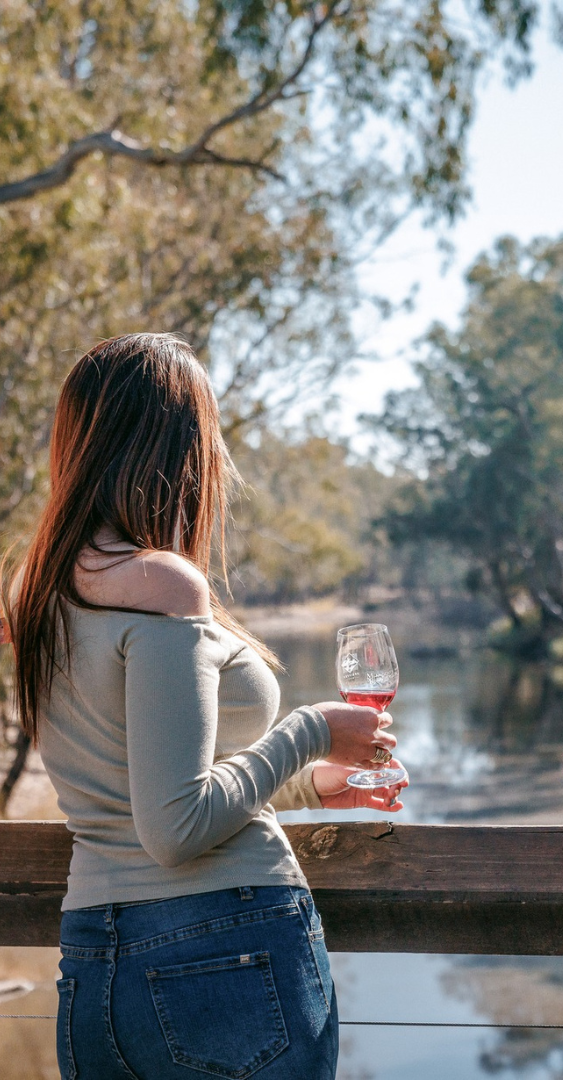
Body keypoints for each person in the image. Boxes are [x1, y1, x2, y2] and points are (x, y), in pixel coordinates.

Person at [1, 333, 407, 1080]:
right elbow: (175, 826)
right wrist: (311, 729)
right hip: (226, 950)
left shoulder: (35, 588)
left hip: (96, 964)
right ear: (178, 448)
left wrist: (308, 784)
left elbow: (147, 779)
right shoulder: (164, 585)